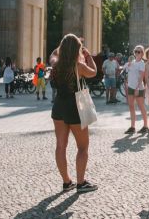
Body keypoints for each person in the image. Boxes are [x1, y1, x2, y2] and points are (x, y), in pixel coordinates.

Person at [50, 33, 99, 193]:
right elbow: (94, 72)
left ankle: (66, 182)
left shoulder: (55, 64)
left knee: (60, 146)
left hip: (58, 106)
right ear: (77, 49)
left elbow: (53, 54)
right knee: (83, 147)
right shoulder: (79, 66)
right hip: (75, 107)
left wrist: (62, 47)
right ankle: (81, 182)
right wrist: (88, 55)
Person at [124, 45, 149, 134]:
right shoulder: (132, 62)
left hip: (138, 88)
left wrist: (137, 88)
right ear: (134, 52)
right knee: (131, 107)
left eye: (139, 52)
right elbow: (128, 73)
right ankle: (132, 126)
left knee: (141, 106)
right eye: (136, 51)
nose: (137, 53)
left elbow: (141, 77)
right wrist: (127, 83)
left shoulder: (142, 63)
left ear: (142, 53)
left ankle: (146, 126)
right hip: (130, 87)